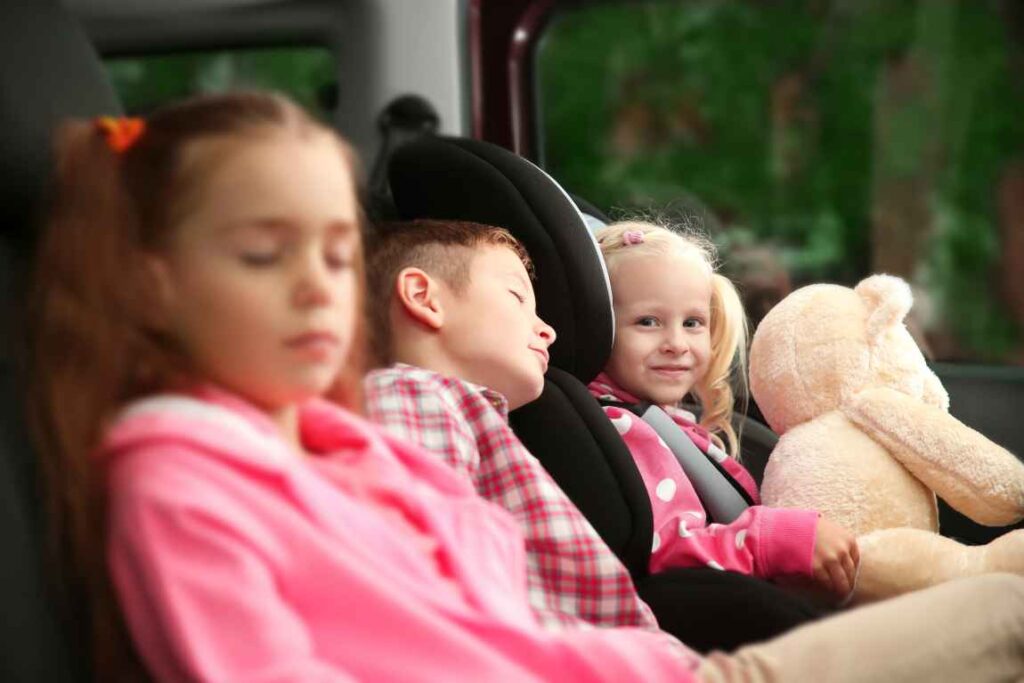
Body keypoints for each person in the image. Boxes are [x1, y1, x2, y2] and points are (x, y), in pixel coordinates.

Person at [27, 92, 1024, 682]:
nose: (316, 287)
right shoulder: (182, 481)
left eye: (337, 254)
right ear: (152, 281)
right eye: (260, 252)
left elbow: (494, 612)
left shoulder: (349, 444)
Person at [591, 220, 859, 602]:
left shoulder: (660, 419)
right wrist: (773, 540)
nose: (677, 343)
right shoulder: (620, 427)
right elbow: (669, 553)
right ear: (597, 323)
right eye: (648, 322)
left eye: (693, 323)